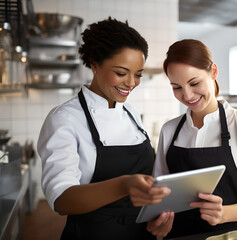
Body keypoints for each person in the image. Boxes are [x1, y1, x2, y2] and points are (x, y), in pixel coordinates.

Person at [37, 17, 171, 239]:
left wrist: (159, 218)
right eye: (121, 73)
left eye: (138, 74)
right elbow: (61, 200)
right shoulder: (65, 119)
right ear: (94, 63)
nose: (130, 83)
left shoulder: (132, 114)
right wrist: (123, 185)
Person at [150, 39, 237, 238]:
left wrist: (223, 214)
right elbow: (160, 196)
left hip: (232, 236)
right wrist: (157, 222)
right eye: (177, 87)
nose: (187, 95)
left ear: (214, 72)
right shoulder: (169, 130)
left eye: (194, 83)